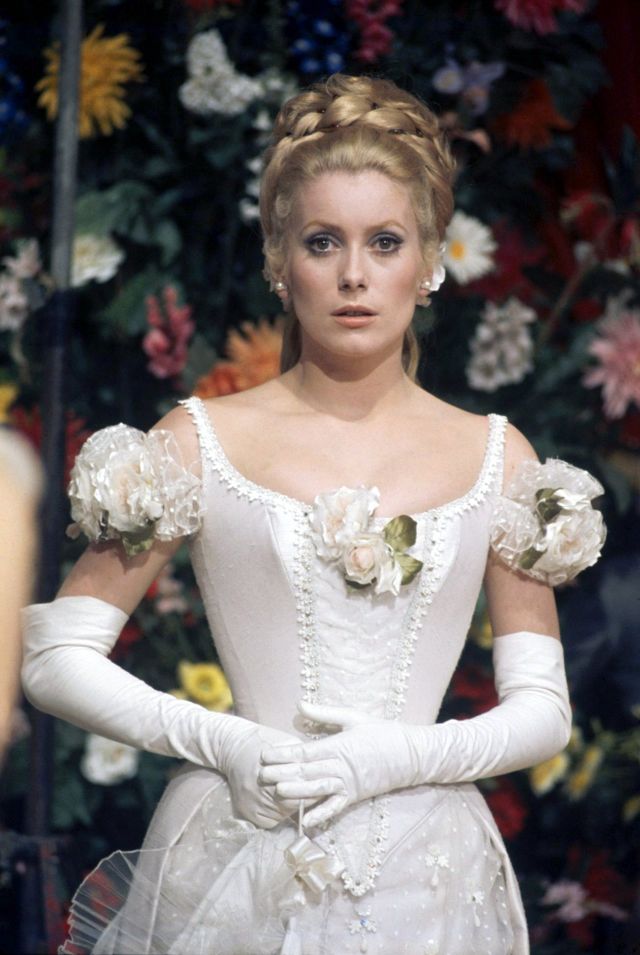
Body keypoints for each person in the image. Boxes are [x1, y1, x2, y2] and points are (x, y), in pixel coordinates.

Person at [21, 74, 605, 955]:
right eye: (323, 242)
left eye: (385, 241)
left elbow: (544, 710)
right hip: (236, 855)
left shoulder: (498, 457)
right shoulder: (198, 441)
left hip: (427, 880)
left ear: (430, 262)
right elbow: (53, 655)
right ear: (279, 261)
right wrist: (223, 740)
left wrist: (402, 757)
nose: (355, 275)